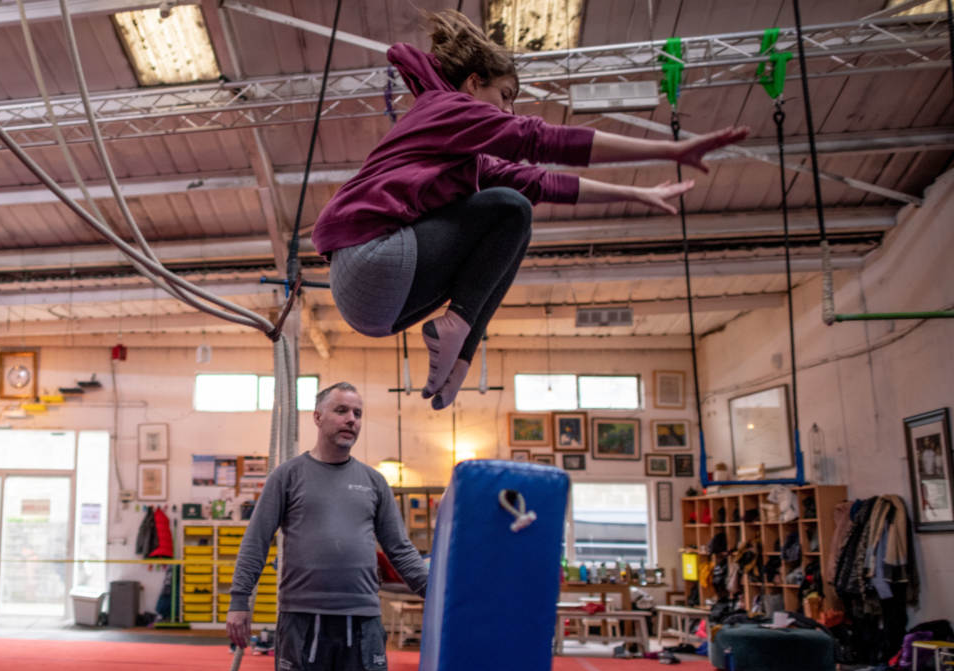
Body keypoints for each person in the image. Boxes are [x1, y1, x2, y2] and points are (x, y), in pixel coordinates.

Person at [312, 10, 749, 409]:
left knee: (515, 221)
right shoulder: (449, 107)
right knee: (511, 210)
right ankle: (458, 335)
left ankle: (460, 357)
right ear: (473, 83)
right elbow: (543, 140)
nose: (508, 109)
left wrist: (636, 194)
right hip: (370, 257)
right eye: (505, 95)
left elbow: (543, 181)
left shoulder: (466, 156)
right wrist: (670, 148)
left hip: (374, 307)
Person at [226, 382, 428, 671]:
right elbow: (256, 541)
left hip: (363, 625)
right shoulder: (287, 477)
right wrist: (240, 601)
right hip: (303, 624)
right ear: (318, 417)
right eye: (341, 410)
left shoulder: (374, 482)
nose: (351, 419)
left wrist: (438, 596)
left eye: (357, 413)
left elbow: (400, 550)